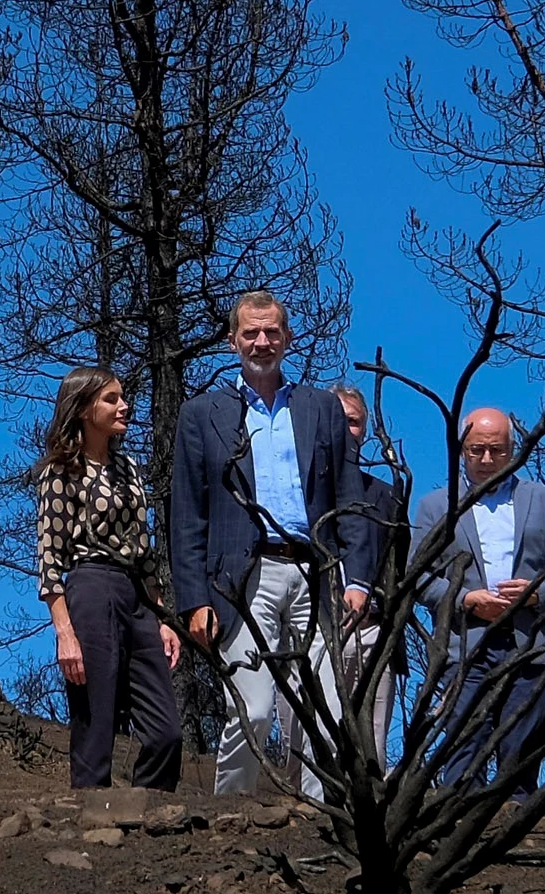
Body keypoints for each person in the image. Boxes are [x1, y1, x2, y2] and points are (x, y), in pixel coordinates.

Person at [168, 290, 376, 799]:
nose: (262, 342)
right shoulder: (203, 415)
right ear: (233, 340)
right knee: (255, 708)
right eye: (250, 333)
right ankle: (230, 816)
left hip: (316, 574)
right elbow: (187, 515)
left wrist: (360, 579)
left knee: (326, 711)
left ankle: (318, 817)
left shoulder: (322, 409)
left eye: (272, 332)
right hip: (241, 579)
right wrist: (194, 600)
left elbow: (351, 497)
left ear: (288, 337)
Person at [407, 408, 545, 795]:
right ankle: (457, 828)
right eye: (477, 450)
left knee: (521, 749)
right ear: (462, 451)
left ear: (514, 450)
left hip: (531, 642)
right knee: (461, 745)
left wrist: (537, 592)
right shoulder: (436, 507)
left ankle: (517, 834)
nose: (487, 460)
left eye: (497, 450)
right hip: (465, 645)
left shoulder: (544, 500)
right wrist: (463, 599)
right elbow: (417, 576)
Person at [36, 367, 184, 791]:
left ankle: (150, 814)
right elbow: (49, 555)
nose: (124, 406)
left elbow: (145, 548)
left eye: (123, 397)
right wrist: (65, 632)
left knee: (166, 731)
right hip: (90, 587)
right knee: (95, 720)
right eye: (111, 399)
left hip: (138, 595)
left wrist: (162, 618)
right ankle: (90, 827)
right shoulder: (61, 470)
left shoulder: (129, 467)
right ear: (83, 410)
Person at [336, 385, 413, 771]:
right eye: (337, 419)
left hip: (372, 632)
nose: (345, 429)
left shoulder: (388, 495)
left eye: (353, 421)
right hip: (314, 632)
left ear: (364, 430)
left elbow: (400, 567)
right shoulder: (299, 493)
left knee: (372, 745)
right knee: (306, 740)